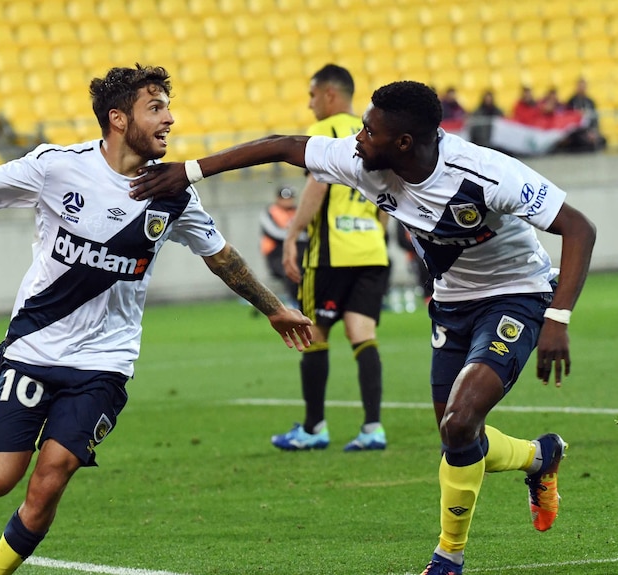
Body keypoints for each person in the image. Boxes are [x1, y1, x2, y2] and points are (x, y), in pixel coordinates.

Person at [0, 64, 313, 575]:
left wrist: (273, 308)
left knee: (51, 475)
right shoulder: (57, 166)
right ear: (118, 119)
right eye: (156, 108)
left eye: (167, 107)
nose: (170, 119)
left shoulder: (174, 192)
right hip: (33, 347)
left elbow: (220, 254)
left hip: (104, 361)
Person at [129, 80, 596, 575]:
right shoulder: (360, 159)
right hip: (452, 302)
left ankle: (448, 558)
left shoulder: (484, 173)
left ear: (403, 143)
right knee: (457, 436)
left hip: (515, 296)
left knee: (459, 421)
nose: (357, 138)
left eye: (369, 131)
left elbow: (579, 227)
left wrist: (557, 318)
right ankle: (538, 457)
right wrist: (190, 171)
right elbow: (285, 146)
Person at [270, 63, 390, 453]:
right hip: (372, 251)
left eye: (311, 95)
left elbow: (318, 184)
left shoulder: (326, 131)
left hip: (331, 255)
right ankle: (373, 428)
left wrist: (291, 236)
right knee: (363, 334)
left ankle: (314, 427)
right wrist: (377, 233)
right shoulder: (372, 131)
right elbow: (388, 196)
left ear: (329, 95)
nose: (309, 105)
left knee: (314, 335)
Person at [259, 185, 303, 307]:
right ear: (277, 198)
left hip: (300, 251)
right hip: (276, 254)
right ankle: (294, 302)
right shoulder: (269, 212)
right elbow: (274, 233)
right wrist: (296, 236)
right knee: (290, 271)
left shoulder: (300, 211)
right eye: (284, 198)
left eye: (290, 198)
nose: (287, 201)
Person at [563, 78, 607, 152]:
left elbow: (594, 118)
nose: (582, 89)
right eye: (580, 86)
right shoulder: (571, 101)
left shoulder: (590, 102)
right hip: (576, 131)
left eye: (583, 87)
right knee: (576, 139)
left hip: (588, 130)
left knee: (603, 140)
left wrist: (593, 132)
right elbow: (567, 118)